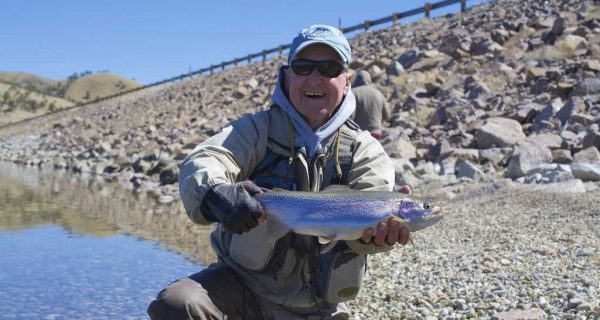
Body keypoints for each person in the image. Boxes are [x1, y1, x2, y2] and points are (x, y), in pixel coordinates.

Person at [147, 24, 410, 320]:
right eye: (303, 66)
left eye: (328, 68)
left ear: (347, 81)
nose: (315, 78)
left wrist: (375, 236)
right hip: (243, 291)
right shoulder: (256, 130)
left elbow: (373, 201)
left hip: (320, 306)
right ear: (287, 76)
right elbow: (206, 159)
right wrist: (215, 192)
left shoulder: (365, 150)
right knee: (177, 304)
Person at [351, 70, 391, 140]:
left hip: (360, 133)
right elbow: (387, 115)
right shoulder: (378, 93)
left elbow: (350, 116)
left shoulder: (354, 92)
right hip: (376, 132)